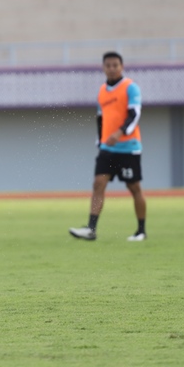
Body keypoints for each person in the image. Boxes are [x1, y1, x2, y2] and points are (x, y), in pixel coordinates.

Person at [70, 51, 147, 242]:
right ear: (103, 67)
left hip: (128, 147)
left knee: (134, 187)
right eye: (108, 65)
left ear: (121, 66)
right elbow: (100, 118)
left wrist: (120, 133)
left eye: (115, 65)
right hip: (107, 149)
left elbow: (134, 114)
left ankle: (141, 231)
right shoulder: (102, 91)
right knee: (98, 184)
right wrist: (100, 141)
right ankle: (91, 229)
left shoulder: (131, 88)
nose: (111, 69)